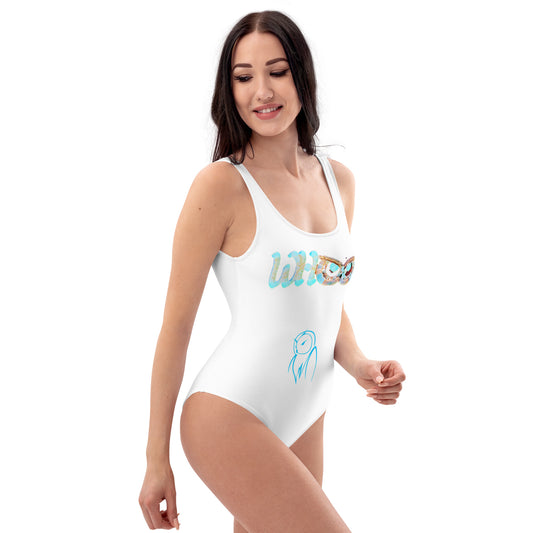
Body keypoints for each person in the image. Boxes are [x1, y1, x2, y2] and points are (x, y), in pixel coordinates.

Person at [138, 10, 406, 532]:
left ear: (302, 75)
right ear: (230, 90)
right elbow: (176, 328)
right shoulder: (221, 186)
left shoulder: (339, 181)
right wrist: (155, 460)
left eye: (277, 71)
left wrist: (360, 365)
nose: (262, 91)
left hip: (307, 410)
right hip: (228, 413)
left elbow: (323, 298)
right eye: (244, 77)